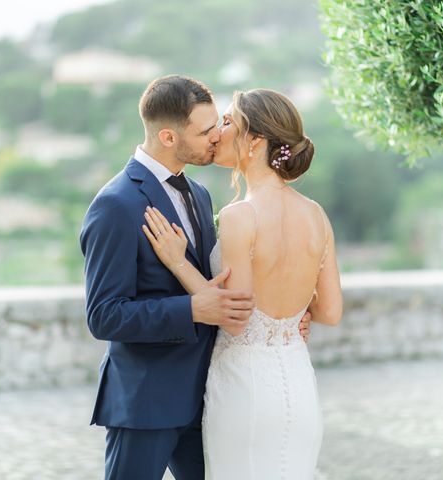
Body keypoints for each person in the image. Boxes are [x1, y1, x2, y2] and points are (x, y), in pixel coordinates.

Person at [79, 76, 311, 480]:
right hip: (146, 403)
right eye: (205, 131)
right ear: (168, 136)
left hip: (211, 399)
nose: (216, 137)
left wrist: (282, 315)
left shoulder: (201, 194)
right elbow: (104, 316)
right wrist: (190, 309)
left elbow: (227, 283)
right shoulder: (116, 205)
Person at [142, 88, 343, 479]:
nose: (219, 130)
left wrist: (177, 262)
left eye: (229, 121)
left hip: (244, 388)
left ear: (254, 140)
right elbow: (331, 312)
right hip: (298, 386)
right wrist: (292, 317)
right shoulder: (316, 215)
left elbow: (235, 317)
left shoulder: (240, 216)